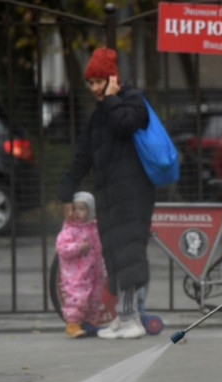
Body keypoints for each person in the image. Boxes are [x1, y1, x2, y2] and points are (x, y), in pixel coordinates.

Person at [58, 47, 154, 340]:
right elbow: (83, 155)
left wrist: (112, 97)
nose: (95, 89)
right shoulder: (100, 114)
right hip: (110, 196)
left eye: (100, 81)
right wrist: (66, 189)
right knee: (114, 254)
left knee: (128, 254)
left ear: (113, 78)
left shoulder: (131, 100)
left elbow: (126, 124)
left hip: (133, 193)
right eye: (91, 83)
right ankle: (126, 315)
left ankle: (130, 320)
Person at [56, 192, 105, 338]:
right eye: (75, 209)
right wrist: (78, 247)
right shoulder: (70, 229)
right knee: (77, 297)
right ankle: (72, 324)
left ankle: (88, 323)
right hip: (76, 274)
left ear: (90, 211)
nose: (77, 213)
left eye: (82, 209)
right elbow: (62, 248)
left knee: (93, 298)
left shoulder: (94, 227)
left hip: (94, 272)